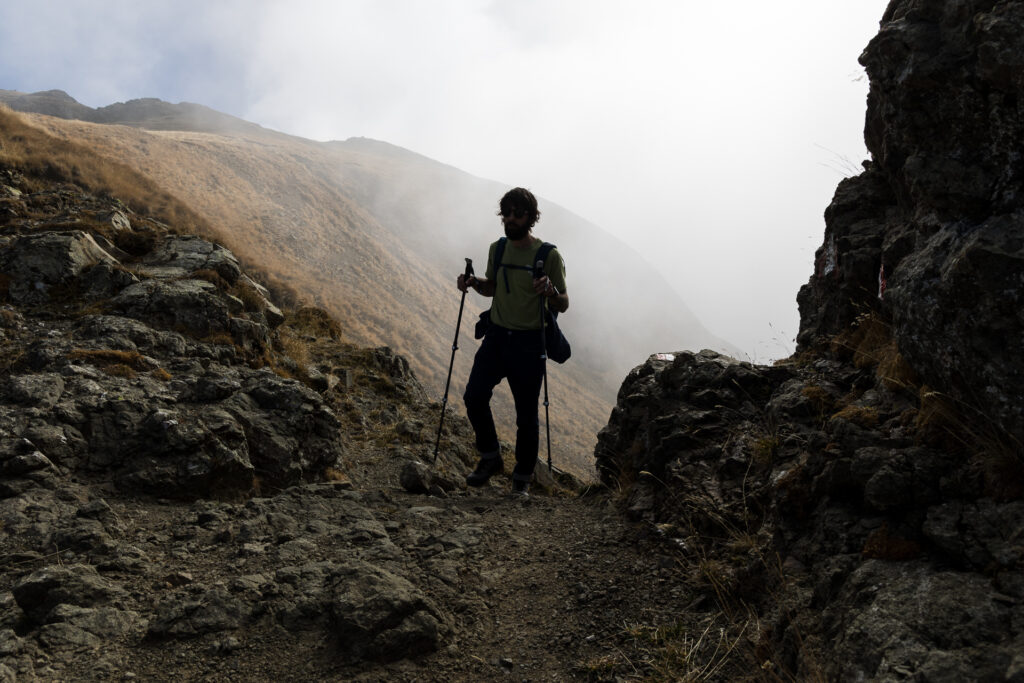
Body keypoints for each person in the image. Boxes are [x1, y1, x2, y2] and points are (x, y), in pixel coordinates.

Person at [457, 187, 569, 497]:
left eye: (517, 213)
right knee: (474, 396)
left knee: (526, 416)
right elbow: (492, 287)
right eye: (506, 213)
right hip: (497, 336)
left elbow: (564, 303)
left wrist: (549, 291)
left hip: (530, 343)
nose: (510, 218)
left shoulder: (548, 255)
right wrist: (473, 282)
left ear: (531, 217)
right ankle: (491, 457)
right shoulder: (498, 248)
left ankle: (522, 478)